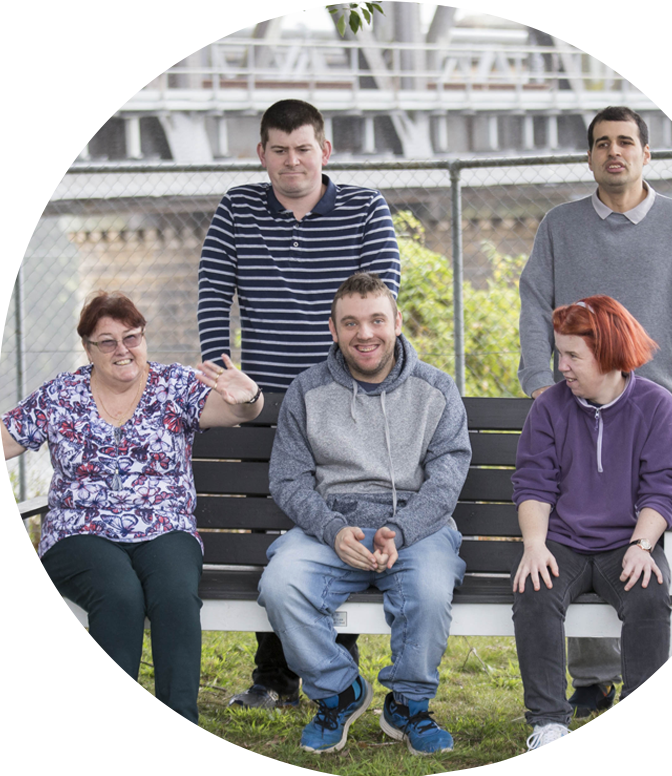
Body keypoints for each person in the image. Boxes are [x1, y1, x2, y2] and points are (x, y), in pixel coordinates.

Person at [517, 105, 672, 717]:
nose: (614, 152)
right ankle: (591, 680)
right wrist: (541, 379)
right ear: (589, 156)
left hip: (656, 411)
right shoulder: (560, 226)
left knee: (636, 545)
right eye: (602, 143)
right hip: (575, 405)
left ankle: (644, 690)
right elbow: (536, 302)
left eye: (626, 142)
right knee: (577, 528)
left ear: (645, 153)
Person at [0, 291, 264, 769]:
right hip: (79, 531)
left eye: (131, 337)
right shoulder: (61, 394)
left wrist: (250, 399)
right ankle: (115, 730)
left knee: (174, 592)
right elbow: (6, 436)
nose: (122, 349)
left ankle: (176, 729)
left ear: (143, 338)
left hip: (165, 526)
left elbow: (232, 412)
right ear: (88, 349)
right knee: (119, 594)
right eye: (107, 342)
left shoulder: (174, 385)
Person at [197, 98, 401, 711]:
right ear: (262, 154)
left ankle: (339, 669)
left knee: (339, 514)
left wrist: (355, 374)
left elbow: (382, 295)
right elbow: (213, 290)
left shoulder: (366, 208)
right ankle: (275, 676)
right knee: (271, 527)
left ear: (325, 151)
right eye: (279, 150)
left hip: (342, 394)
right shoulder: (237, 207)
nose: (292, 161)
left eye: (303, 148)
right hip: (262, 399)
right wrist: (225, 377)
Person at [258, 272, 470, 755]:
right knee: (280, 585)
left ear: (397, 322)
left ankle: (409, 706)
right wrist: (332, 530)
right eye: (350, 323)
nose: (365, 333)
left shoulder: (435, 389)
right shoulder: (307, 391)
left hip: (416, 528)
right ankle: (339, 692)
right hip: (330, 529)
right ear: (333, 330)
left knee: (431, 591)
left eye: (377, 319)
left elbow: (448, 476)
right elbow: (288, 479)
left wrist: (400, 528)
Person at [512, 295, 672, 768]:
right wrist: (534, 545)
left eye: (573, 356)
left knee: (650, 591)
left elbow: (665, 486)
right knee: (534, 589)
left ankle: (640, 722)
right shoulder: (549, 407)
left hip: (625, 543)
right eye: (559, 354)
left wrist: (642, 545)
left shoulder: (655, 406)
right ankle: (548, 725)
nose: (561, 366)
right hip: (563, 543)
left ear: (608, 353)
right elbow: (533, 483)